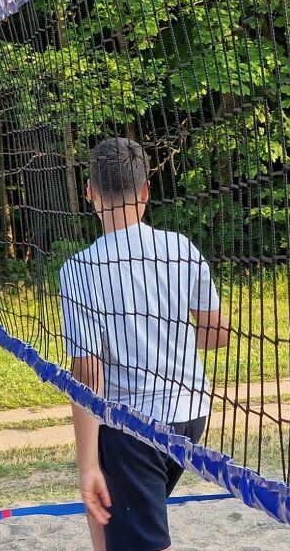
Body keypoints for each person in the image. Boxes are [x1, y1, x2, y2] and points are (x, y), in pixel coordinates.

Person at [59, 137, 230, 551]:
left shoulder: (81, 269)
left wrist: (87, 466)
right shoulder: (181, 249)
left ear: (90, 192)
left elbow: (88, 377)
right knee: (112, 524)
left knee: (136, 537)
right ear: (145, 191)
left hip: (134, 426)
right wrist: (166, 338)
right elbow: (218, 333)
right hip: (191, 415)